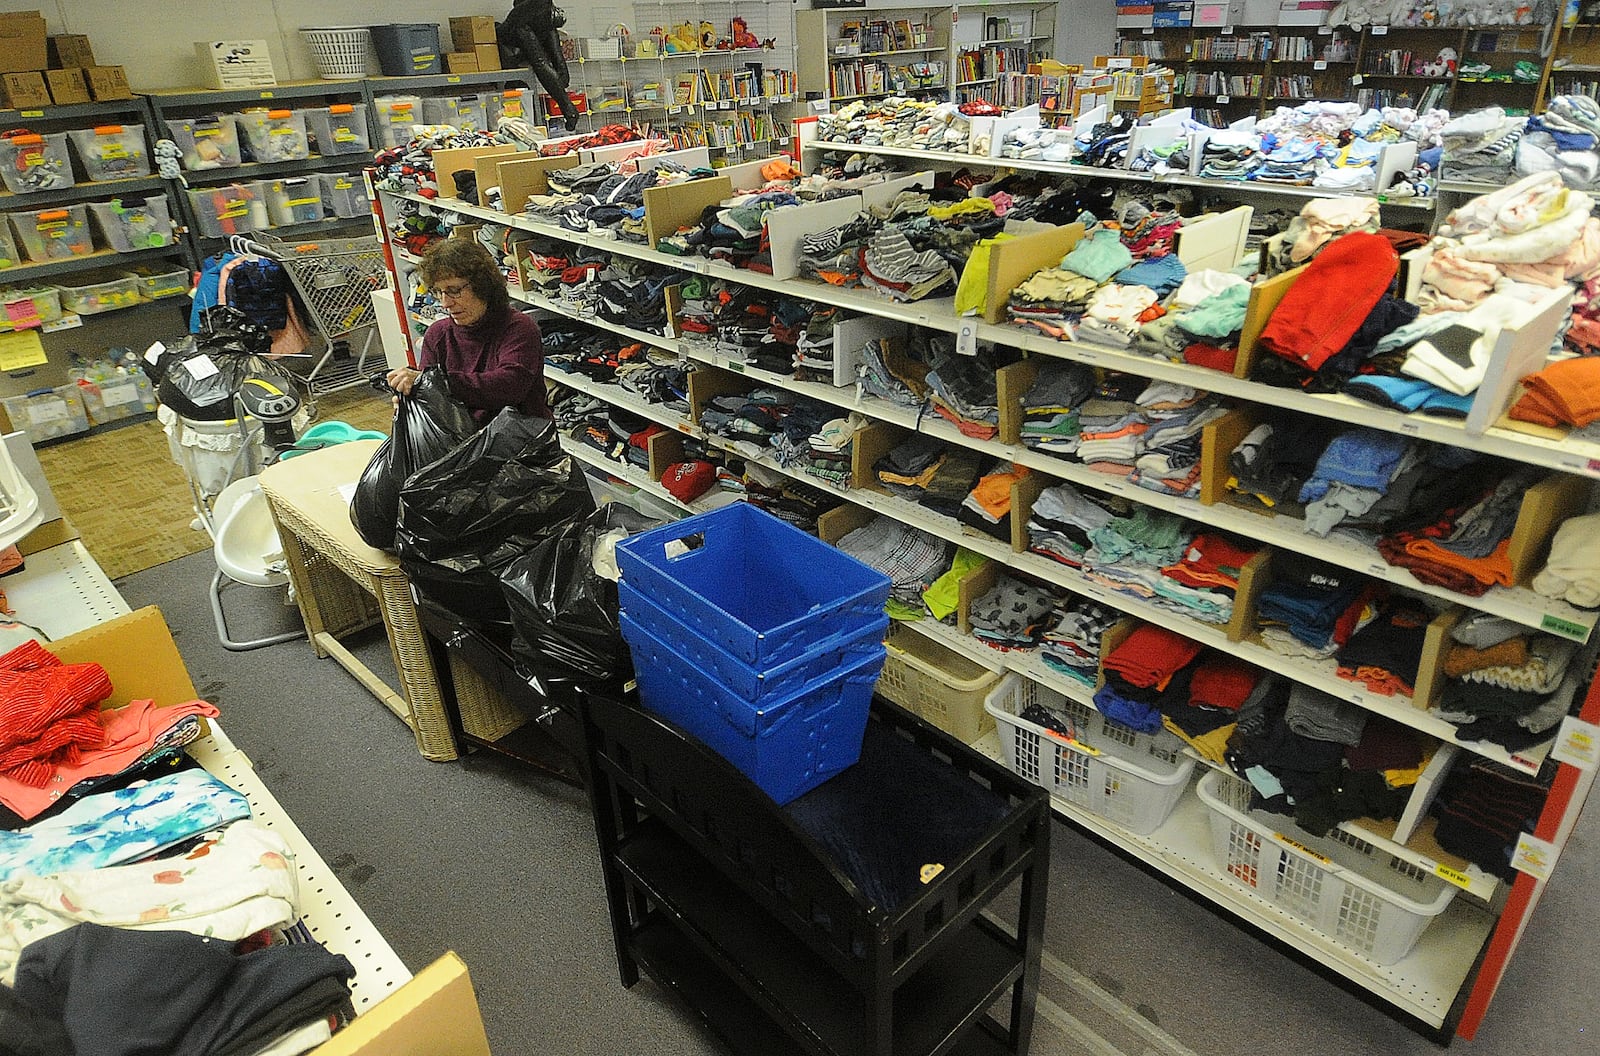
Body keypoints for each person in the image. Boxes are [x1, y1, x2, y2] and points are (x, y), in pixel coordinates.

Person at [385, 238, 550, 425]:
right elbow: (431, 395)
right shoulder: (437, 334)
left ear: (482, 285)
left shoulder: (518, 328)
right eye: (438, 292)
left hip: (520, 444)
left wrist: (435, 384)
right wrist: (411, 398)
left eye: (454, 290)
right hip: (461, 442)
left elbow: (509, 386)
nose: (446, 303)